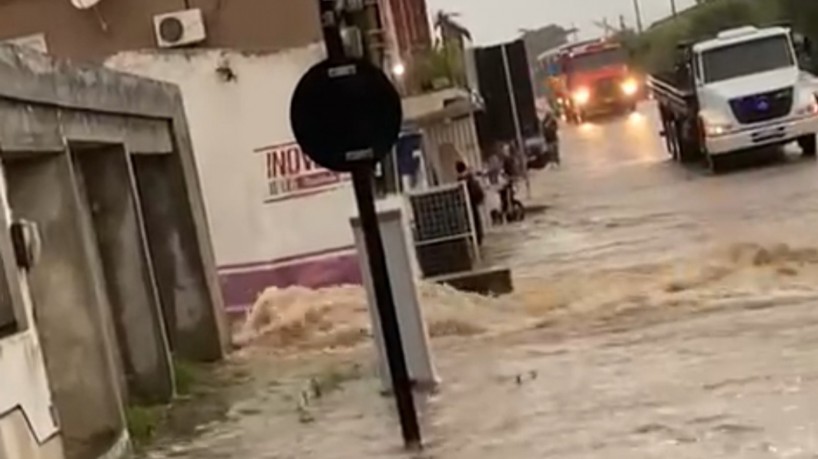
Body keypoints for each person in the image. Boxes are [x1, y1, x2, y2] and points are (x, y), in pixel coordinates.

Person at [455, 161, 485, 246]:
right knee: (476, 219)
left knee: (471, 220)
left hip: (469, 202)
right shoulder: (470, 176)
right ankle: (478, 237)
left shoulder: (462, 179)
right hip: (474, 201)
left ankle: (475, 238)